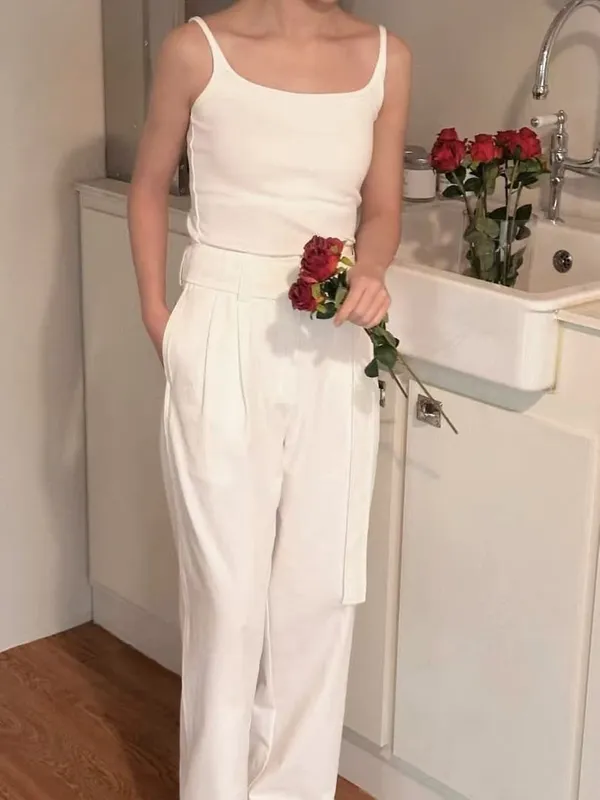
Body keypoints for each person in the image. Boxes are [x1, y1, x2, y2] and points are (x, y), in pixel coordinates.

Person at [128, 0, 411, 797]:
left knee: (319, 595)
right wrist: (161, 319)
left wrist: (371, 270)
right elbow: (148, 188)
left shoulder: (386, 57)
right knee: (228, 602)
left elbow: (382, 210)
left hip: (335, 339)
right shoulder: (196, 50)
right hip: (221, 327)